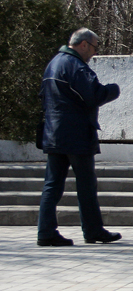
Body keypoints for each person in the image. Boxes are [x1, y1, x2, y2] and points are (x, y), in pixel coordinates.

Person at [37, 28, 121, 246]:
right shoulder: (75, 66)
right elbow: (93, 95)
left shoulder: (53, 64)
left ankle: (45, 232)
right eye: (94, 47)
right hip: (76, 134)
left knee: (52, 184)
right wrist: (113, 90)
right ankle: (93, 230)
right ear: (83, 44)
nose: (94, 53)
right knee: (86, 184)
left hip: (54, 132)